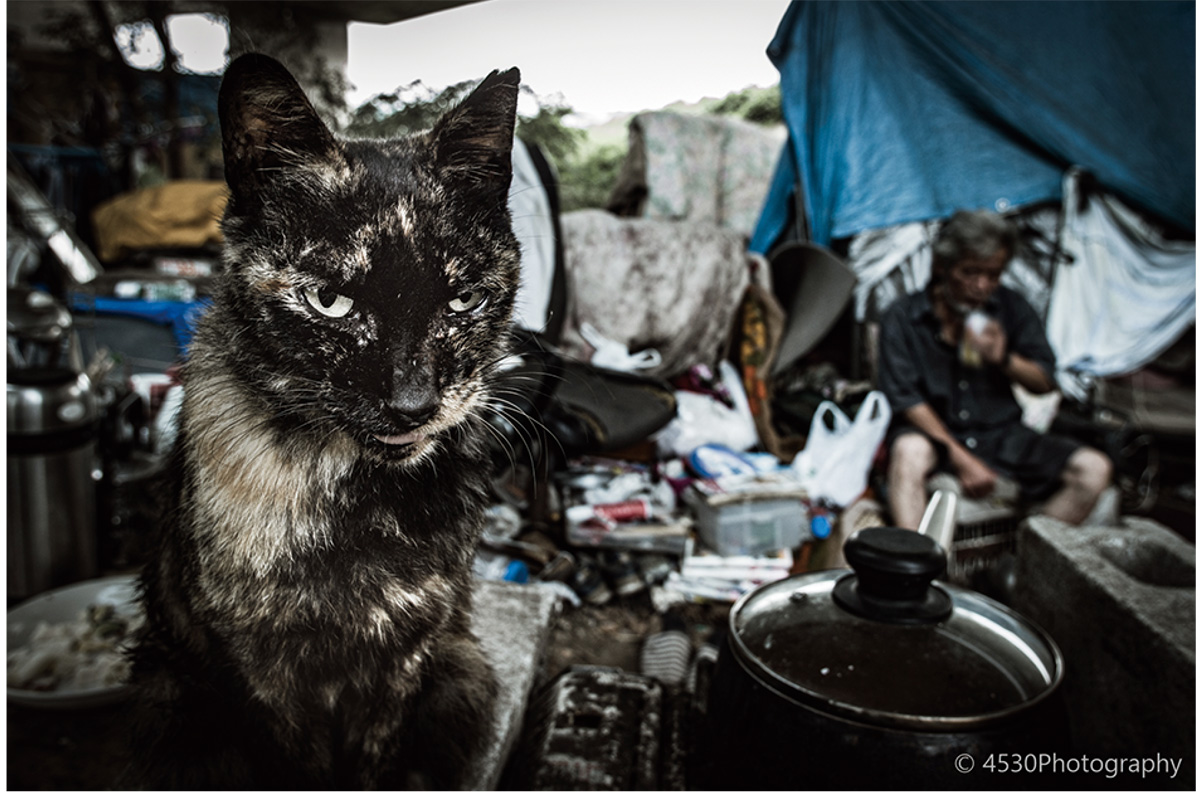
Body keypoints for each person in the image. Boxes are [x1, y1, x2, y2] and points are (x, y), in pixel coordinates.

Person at [877, 209, 1112, 530]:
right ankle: (916, 570)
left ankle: (1025, 565)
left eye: (993, 275)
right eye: (970, 272)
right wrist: (964, 460)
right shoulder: (902, 318)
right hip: (937, 438)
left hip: (1003, 436)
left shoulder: (1010, 308)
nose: (981, 286)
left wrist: (1003, 359)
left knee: (1094, 469)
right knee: (908, 450)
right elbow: (907, 401)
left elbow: (1044, 382)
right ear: (942, 266)